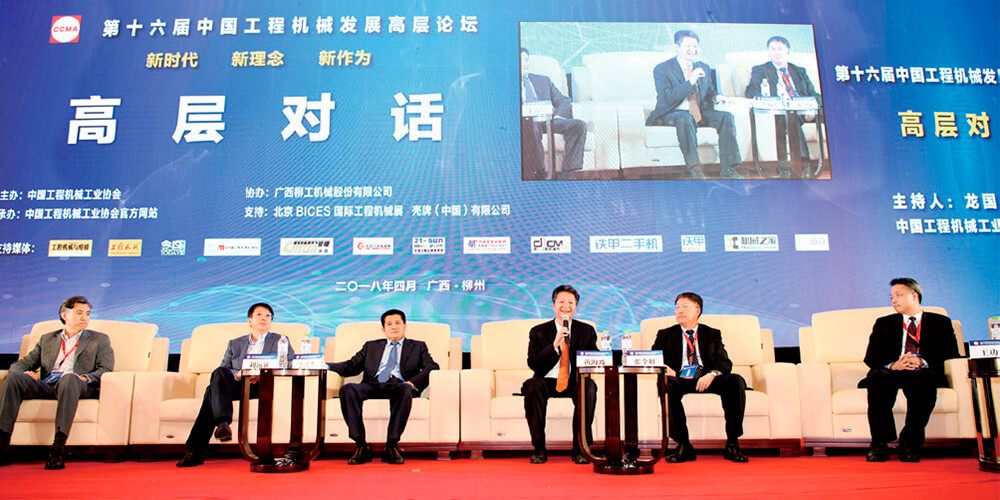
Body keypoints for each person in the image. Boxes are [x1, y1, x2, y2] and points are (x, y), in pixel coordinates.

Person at [0, 296, 114, 469]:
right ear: (64, 315)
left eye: (88, 313)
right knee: (13, 377)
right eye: (79, 313)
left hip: (77, 384)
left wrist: (84, 378)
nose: (85, 317)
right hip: (48, 384)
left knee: (69, 378)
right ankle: (2, 445)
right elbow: (21, 364)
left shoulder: (99, 339)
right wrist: (24, 372)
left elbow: (105, 369)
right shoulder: (47, 339)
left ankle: (58, 448)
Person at [176, 302, 294, 467]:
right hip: (239, 384)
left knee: (211, 392)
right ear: (250, 320)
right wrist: (238, 374)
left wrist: (264, 373)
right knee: (219, 373)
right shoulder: (235, 343)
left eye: (268, 316)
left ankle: (201, 445)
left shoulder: (280, 340)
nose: (264, 318)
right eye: (259, 315)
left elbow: (289, 363)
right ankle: (221, 425)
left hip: (262, 386)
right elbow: (224, 368)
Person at [859, 278, 959, 462]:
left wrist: (922, 362)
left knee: (926, 379)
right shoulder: (883, 323)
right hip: (891, 372)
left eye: (898, 295)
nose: (893, 300)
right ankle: (879, 443)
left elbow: (951, 354)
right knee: (878, 377)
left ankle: (909, 443)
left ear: (914, 296)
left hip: (921, 372)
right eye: (891, 297)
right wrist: (893, 365)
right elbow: (871, 357)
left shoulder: (941, 322)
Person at [327, 309, 438, 465]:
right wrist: (325, 366)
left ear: (405, 326)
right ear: (383, 329)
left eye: (398, 323)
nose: (394, 327)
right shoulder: (371, 346)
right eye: (389, 324)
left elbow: (432, 366)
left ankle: (391, 446)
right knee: (348, 389)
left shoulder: (418, 346)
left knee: (405, 389)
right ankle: (361, 445)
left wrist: (412, 383)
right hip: (372, 385)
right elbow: (351, 366)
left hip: (398, 386)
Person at [652, 292, 748, 463]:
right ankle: (683, 444)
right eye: (677, 307)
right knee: (667, 383)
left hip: (707, 378)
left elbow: (724, 361)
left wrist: (712, 375)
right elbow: (654, 357)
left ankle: (732, 443)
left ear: (698, 310)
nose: (679, 311)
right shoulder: (665, 334)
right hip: (680, 378)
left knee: (735, 380)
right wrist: (665, 368)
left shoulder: (711, 333)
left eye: (685, 306)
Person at [646, 30, 743, 180]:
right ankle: (695, 170)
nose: (693, 50)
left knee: (726, 117)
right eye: (688, 46)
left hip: (698, 112)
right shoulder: (662, 69)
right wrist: (690, 82)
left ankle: (728, 169)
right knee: (684, 118)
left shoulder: (703, 67)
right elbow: (666, 97)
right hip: (672, 113)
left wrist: (717, 97)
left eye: (695, 46)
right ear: (677, 47)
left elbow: (709, 91)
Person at [522, 284, 598, 464]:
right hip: (546, 380)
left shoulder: (586, 330)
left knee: (589, 386)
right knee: (532, 386)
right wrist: (554, 345)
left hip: (574, 380)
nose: (566, 306)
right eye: (561, 302)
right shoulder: (538, 331)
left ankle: (580, 449)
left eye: (571, 302)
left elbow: (594, 359)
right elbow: (533, 363)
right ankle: (539, 448)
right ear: (553, 305)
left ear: (576, 306)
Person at [744, 36, 822, 179]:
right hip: (781, 110)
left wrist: (811, 107)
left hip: (804, 108)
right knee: (789, 117)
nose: (776, 52)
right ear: (769, 52)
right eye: (773, 49)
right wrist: (767, 100)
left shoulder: (799, 71)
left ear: (788, 51)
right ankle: (804, 164)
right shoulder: (761, 70)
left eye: (780, 49)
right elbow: (751, 91)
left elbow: (814, 94)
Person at [520, 47, 588, 180]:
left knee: (579, 125)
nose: (525, 63)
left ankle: (569, 172)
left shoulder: (543, 81)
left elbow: (564, 100)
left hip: (548, 120)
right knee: (532, 128)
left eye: (526, 60)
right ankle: (539, 172)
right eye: (521, 61)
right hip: (527, 123)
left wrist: (559, 116)